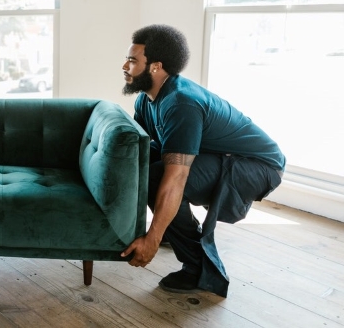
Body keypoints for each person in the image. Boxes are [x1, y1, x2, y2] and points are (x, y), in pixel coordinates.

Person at [119, 24, 284, 297]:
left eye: (133, 60)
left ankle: (199, 268)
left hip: (258, 167)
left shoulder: (181, 103)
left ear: (156, 67)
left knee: (159, 178)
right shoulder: (146, 100)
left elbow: (176, 178)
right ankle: (177, 232)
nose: (125, 65)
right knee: (149, 167)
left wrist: (153, 236)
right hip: (225, 156)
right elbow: (143, 151)